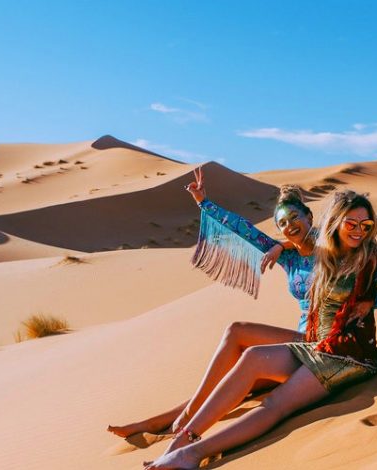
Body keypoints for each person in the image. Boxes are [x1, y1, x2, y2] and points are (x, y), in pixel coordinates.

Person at [143, 190, 377, 469]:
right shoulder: (321, 253)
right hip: (316, 346)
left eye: (366, 225)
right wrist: (216, 209)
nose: (359, 231)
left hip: (351, 355)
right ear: (337, 223)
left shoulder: (374, 258)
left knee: (275, 405)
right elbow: (277, 235)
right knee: (251, 356)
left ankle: (192, 455)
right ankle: (182, 440)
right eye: (352, 224)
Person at [108, 167, 317, 439]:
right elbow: (244, 230)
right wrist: (202, 202)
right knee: (232, 382)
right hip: (302, 338)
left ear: (309, 216)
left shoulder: (333, 245)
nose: (289, 226)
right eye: (282, 223)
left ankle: (188, 415)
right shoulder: (289, 258)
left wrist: (281, 245)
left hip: (322, 343)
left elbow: (334, 231)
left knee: (237, 331)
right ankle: (153, 422)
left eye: (295, 218)